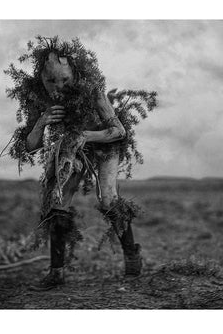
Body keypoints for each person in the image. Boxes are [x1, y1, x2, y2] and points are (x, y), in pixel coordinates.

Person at [24, 50, 142, 290]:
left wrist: (87, 135)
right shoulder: (38, 98)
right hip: (75, 145)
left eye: (65, 81)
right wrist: (41, 121)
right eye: (51, 81)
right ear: (42, 78)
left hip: (104, 142)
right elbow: (30, 147)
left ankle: (131, 254)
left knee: (108, 199)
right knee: (57, 200)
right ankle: (56, 273)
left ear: (75, 74)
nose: (58, 87)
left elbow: (119, 131)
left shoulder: (92, 90)